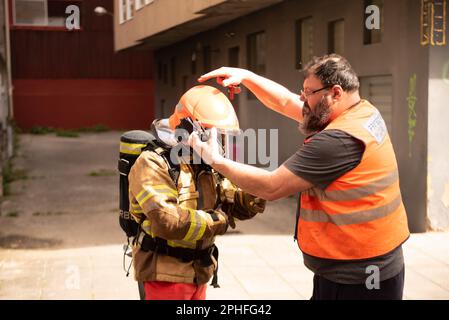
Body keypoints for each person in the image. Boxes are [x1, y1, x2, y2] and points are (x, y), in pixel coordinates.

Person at [189, 54, 410, 300]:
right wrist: (247, 76)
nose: (302, 99)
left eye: (308, 92)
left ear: (335, 92)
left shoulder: (338, 141)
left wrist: (216, 161)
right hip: (372, 265)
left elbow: (272, 186)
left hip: (356, 279)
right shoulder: (362, 113)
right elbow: (285, 102)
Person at [127, 85, 265, 300]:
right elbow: (167, 221)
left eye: (222, 137)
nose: (219, 144)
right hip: (165, 275)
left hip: (198, 271)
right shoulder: (152, 162)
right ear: (189, 129)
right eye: (215, 135)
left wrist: (259, 189)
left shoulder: (204, 163)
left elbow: (233, 202)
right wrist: (218, 220)